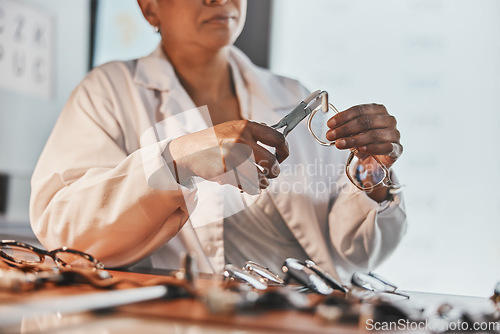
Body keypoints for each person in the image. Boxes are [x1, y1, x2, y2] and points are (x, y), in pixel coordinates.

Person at [30, 0, 406, 282]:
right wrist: (179, 161)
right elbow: (67, 233)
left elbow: (357, 250)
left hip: (302, 318)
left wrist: (372, 176)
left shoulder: (293, 96)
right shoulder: (109, 92)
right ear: (149, 7)